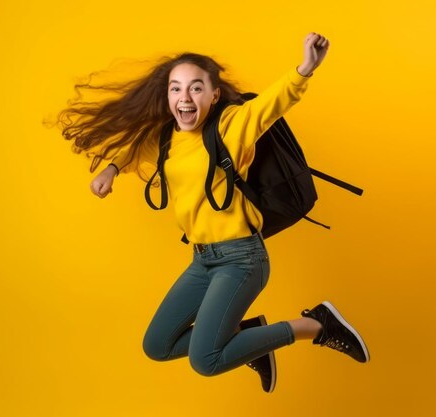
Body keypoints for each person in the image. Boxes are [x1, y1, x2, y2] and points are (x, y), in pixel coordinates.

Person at [57, 32, 370, 393]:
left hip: (242, 259)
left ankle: (316, 325)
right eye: (176, 89)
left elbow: (272, 103)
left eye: (195, 88)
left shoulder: (230, 127)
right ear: (168, 97)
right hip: (202, 260)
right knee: (156, 346)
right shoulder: (165, 139)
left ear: (214, 95)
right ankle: (248, 337)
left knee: (205, 360)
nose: (184, 98)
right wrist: (110, 170)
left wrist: (305, 69)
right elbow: (133, 154)